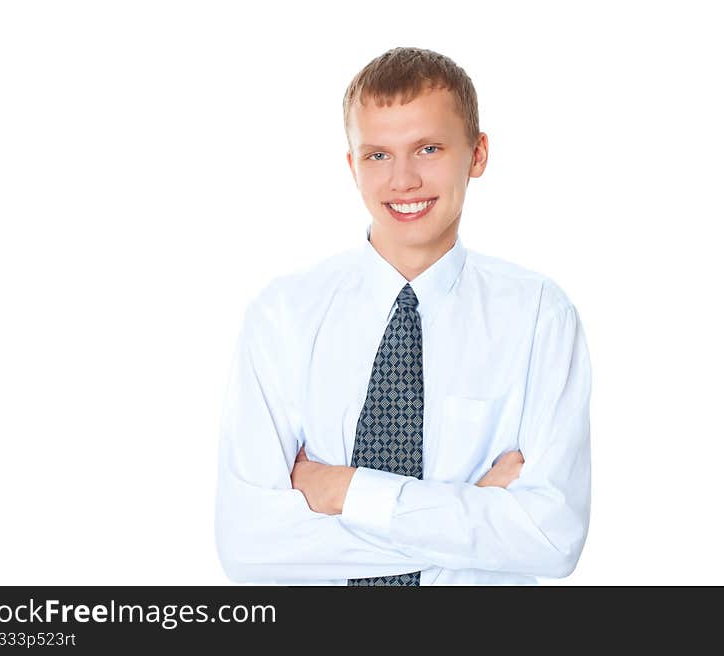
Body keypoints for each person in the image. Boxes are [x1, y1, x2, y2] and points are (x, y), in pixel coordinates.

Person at [215, 46, 592, 585]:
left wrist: (345, 492)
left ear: (478, 154)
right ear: (352, 165)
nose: (403, 180)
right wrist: (469, 510)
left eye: (429, 148)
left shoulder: (538, 317)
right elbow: (250, 548)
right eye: (377, 155)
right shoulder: (283, 317)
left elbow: (551, 540)